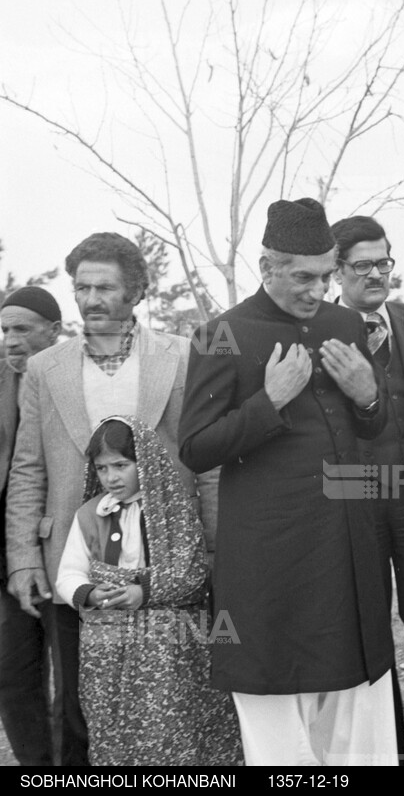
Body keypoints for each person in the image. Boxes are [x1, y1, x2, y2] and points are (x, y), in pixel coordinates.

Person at [178, 198, 397, 766]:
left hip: (345, 547)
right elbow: (196, 449)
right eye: (303, 276)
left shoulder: (345, 323)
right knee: (276, 705)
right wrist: (267, 401)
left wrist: (368, 396)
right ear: (266, 266)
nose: (317, 290)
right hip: (271, 558)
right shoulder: (220, 334)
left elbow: (375, 423)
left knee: (356, 703)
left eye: (326, 276)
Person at [6, 233, 218, 767]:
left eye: (105, 287)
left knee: (172, 693)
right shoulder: (45, 368)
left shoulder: (180, 356)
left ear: (136, 293)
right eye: (82, 287)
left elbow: (206, 461)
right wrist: (24, 558)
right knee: (78, 705)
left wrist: (214, 549)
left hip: (164, 557)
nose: (92, 298)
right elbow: (28, 469)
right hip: (76, 559)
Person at [56, 417, 242, 766]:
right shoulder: (88, 515)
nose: (111, 477)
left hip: (169, 651)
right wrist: (91, 594)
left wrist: (144, 591)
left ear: (148, 462)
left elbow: (191, 574)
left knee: (170, 723)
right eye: (101, 468)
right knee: (113, 723)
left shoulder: (174, 513)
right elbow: (68, 574)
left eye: (121, 465)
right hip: (108, 653)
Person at [331, 215, 404, 764]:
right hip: (356, 503)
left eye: (384, 262)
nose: (376, 274)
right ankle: (387, 751)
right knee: (372, 626)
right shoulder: (322, 327)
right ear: (337, 270)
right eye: (363, 266)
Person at [0, 287, 61, 765]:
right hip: (7, 555)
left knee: (76, 677)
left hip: (66, 547)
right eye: (4, 330)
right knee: (13, 674)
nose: (10, 340)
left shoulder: (70, 378)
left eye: (22, 329)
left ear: (53, 331)